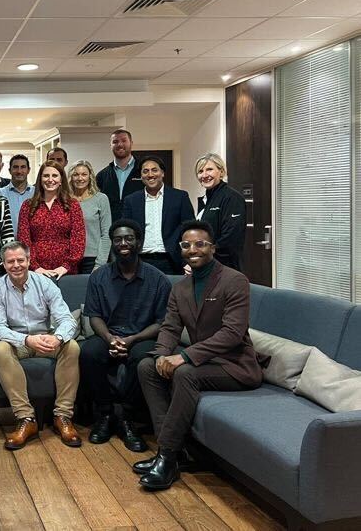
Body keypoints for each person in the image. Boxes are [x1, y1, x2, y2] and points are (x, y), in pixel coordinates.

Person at [136, 220, 263, 490]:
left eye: (200, 244)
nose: (193, 249)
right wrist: (161, 354)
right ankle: (172, 451)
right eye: (187, 245)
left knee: (185, 373)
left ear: (213, 248)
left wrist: (185, 356)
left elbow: (232, 332)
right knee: (146, 366)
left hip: (235, 365)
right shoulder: (181, 287)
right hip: (206, 362)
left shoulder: (234, 280)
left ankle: (167, 456)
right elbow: (170, 327)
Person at [80, 219, 172, 452]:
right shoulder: (99, 277)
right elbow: (94, 316)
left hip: (143, 337)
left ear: (138, 242)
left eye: (129, 238)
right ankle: (105, 415)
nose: (123, 243)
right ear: (112, 243)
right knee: (88, 352)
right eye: (118, 239)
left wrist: (132, 340)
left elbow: (162, 322)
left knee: (143, 359)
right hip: (109, 336)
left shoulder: (158, 279)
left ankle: (127, 419)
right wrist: (110, 338)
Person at [0, 241, 81, 449]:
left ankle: (62, 416)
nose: (16, 265)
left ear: (29, 261)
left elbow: (66, 319)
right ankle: (26, 419)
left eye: (21, 260)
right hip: (18, 341)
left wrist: (57, 337)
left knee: (72, 346)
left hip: (46, 338)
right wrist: (26, 339)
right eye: (10, 261)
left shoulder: (45, 283)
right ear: (3, 264)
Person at [122, 155, 195, 275]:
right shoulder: (131, 200)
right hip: (140, 262)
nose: (150, 174)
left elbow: (189, 230)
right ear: (141, 176)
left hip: (172, 261)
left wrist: (187, 261)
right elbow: (126, 232)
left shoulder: (180, 197)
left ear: (162, 173)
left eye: (154, 170)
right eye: (145, 171)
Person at [17, 160, 85, 279]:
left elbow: (78, 238)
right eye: (46, 176)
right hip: (36, 271)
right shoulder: (28, 206)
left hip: (65, 272)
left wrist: (66, 266)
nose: (50, 179)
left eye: (54, 175)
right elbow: (24, 239)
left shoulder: (72, 205)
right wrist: (35, 267)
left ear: (61, 180)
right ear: (40, 179)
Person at [194, 153, 247, 271]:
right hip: (207, 266)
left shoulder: (232, 198)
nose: (204, 175)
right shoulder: (205, 200)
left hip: (225, 268)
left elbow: (230, 239)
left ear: (221, 172)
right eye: (200, 171)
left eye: (209, 169)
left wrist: (202, 257)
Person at [69, 160, 111, 274]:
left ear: (90, 176)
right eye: (76, 174)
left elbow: (106, 234)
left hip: (92, 259)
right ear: (71, 177)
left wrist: (100, 263)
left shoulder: (101, 199)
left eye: (84, 174)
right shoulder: (65, 200)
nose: (80, 178)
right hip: (68, 258)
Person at [96, 129, 144, 222]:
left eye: (124, 140)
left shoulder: (143, 171)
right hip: (112, 228)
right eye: (115, 142)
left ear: (131, 143)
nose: (120, 144)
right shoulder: (102, 176)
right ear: (110, 145)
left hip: (139, 228)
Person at [0, 154, 34, 234]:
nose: (19, 171)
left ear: (28, 170)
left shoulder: (37, 194)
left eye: (23, 167)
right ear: (10, 170)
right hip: (8, 244)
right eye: (15, 167)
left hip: (32, 244)